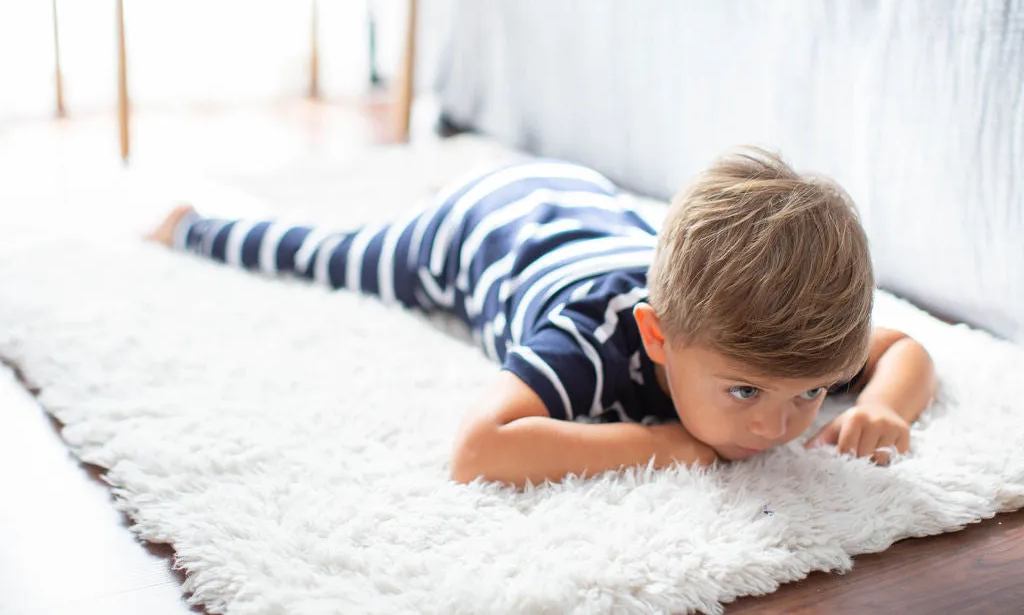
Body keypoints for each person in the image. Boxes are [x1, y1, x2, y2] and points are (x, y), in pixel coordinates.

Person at [146, 145, 938, 488]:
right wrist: (662, 444)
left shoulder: (778, 338)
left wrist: (881, 405)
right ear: (657, 335)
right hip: (476, 231)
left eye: (807, 395)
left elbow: (904, 347)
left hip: (587, 201)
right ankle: (193, 222)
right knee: (336, 253)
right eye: (743, 394)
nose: (778, 429)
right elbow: (479, 447)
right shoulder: (589, 345)